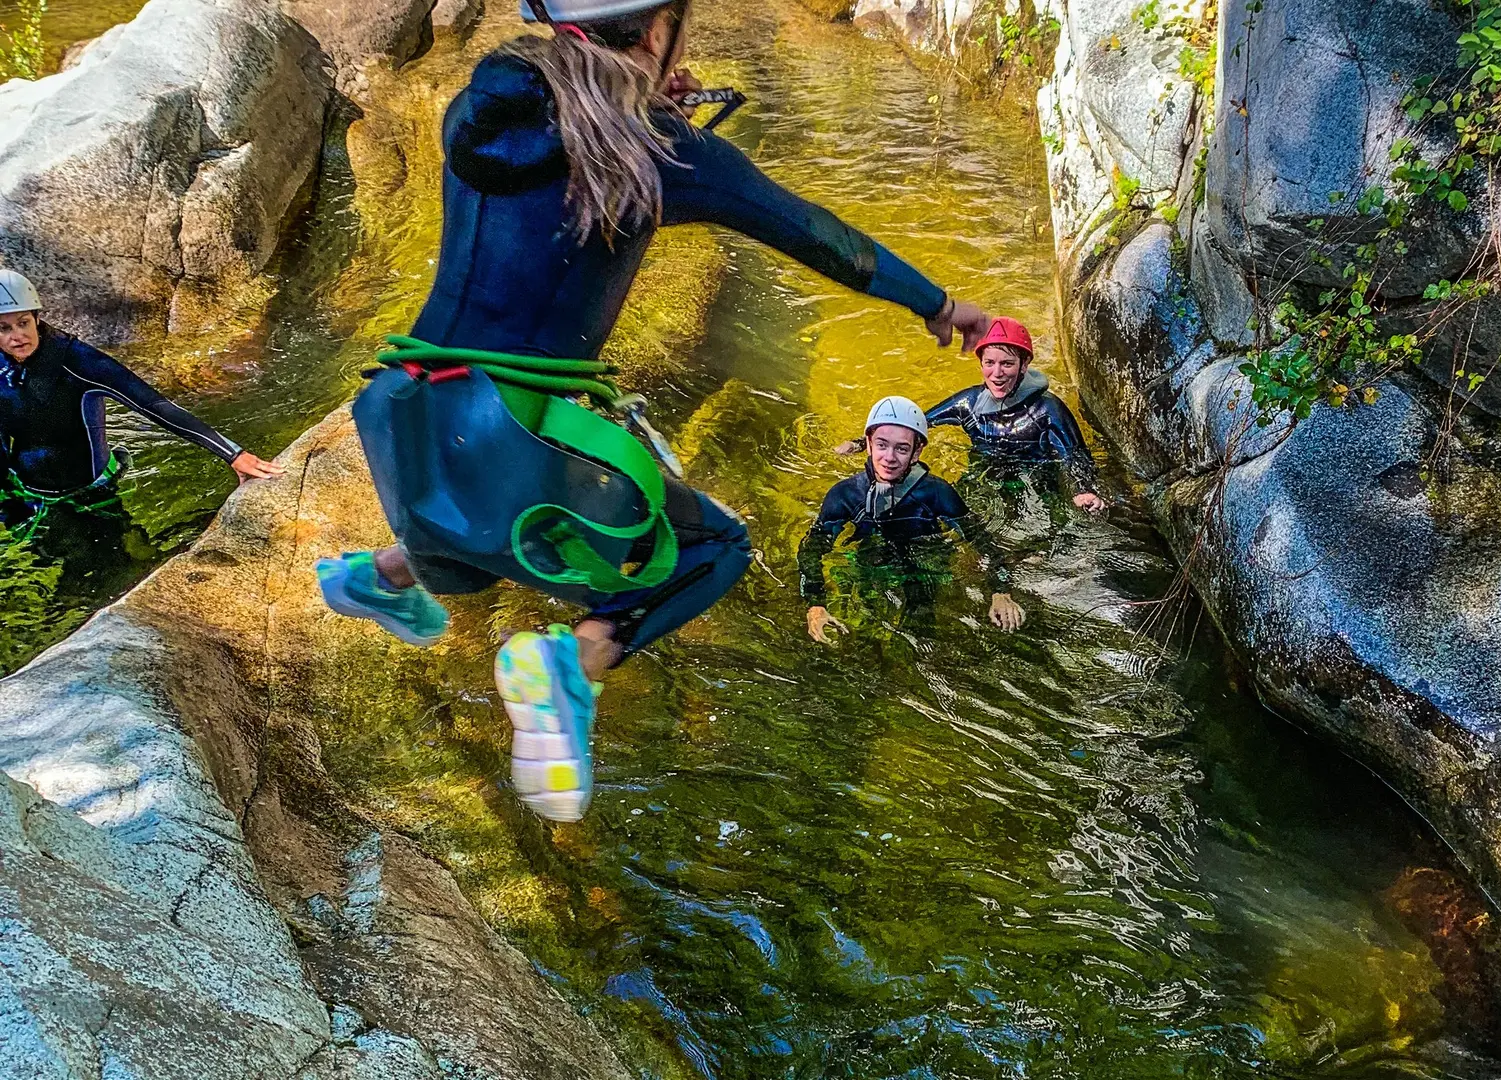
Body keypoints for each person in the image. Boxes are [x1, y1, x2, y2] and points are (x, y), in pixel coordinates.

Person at [313, 0, 994, 824]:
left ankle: (374, 577)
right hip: (517, 433)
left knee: (486, 541)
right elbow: (815, 232)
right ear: (656, 29)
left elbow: (555, 152)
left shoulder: (473, 106)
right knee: (716, 547)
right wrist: (938, 303)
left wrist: (641, 96)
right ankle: (574, 665)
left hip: (405, 414)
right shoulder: (661, 149)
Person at [0, 269, 283, 567]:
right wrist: (8, 502)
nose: (18, 336)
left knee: (107, 569)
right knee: (46, 563)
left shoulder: (78, 362)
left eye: (23, 323)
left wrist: (232, 454)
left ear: (37, 317)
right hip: (27, 493)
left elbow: (155, 405)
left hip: (92, 492)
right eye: (4, 328)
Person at [801, 396, 1024, 644]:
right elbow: (812, 548)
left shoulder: (937, 494)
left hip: (925, 564)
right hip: (869, 560)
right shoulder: (844, 495)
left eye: (902, 448)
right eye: (882, 445)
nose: (889, 458)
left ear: (917, 452)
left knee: (922, 630)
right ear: (868, 444)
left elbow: (985, 543)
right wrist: (815, 604)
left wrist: (1000, 590)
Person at [837, 316, 1106, 513]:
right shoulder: (970, 403)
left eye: (1007, 364)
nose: (997, 374)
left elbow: (1075, 456)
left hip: (1036, 479)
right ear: (981, 364)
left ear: (1025, 364)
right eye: (989, 363)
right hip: (983, 476)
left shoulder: (1048, 411)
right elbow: (915, 423)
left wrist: (1084, 489)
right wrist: (861, 444)